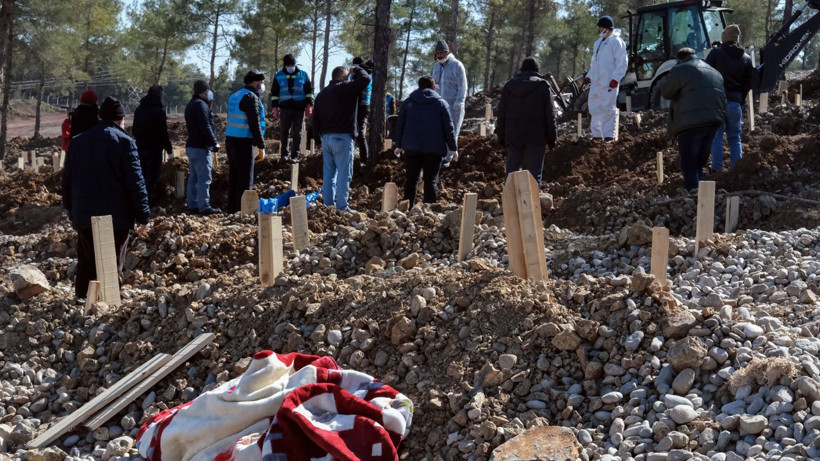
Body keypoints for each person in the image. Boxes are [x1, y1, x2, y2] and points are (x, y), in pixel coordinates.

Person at [61, 97, 150, 298]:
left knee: (86, 261)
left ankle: (82, 302)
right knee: (111, 262)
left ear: (100, 117)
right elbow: (136, 183)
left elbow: (67, 180)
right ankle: (108, 305)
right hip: (116, 216)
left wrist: (70, 209)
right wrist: (143, 215)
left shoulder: (78, 142)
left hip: (84, 215)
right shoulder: (125, 142)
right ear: (121, 120)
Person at [661, 48, 726, 191]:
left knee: (689, 164)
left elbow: (666, 92)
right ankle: (702, 195)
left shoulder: (679, 70)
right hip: (712, 122)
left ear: (679, 59)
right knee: (700, 163)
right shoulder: (714, 71)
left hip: (689, 124)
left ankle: (692, 195)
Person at [312, 65, 371, 212]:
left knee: (329, 175)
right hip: (342, 138)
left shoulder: (322, 94)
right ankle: (342, 206)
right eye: (348, 76)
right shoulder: (346, 88)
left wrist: (317, 140)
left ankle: (328, 205)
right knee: (344, 174)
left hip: (326, 139)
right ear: (343, 76)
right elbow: (366, 78)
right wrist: (356, 69)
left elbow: (315, 119)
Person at [393, 76, 458, 204]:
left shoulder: (408, 102)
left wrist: (398, 145)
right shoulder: (441, 104)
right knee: (431, 181)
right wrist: (453, 148)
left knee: (411, 180)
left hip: (412, 148)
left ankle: (407, 208)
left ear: (419, 86)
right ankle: (429, 210)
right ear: (434, 87)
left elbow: (400, 124)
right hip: (434, 149)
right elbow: (448, 127)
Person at [496, 57, 557, 185]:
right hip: (536, 138)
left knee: (511, 175)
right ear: (537, 70)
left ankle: (510, 198)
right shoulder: (543, 86)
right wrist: (552, 139)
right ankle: (532, 198)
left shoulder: (509, 86)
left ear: (522, 69)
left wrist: (501, 137)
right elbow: (550, 114)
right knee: (533, 178)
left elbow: (501, 114)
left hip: (514, 137)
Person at [706, 24, 754, 171]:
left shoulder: (716, 53)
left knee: (716, 136)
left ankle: (717, 168)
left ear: (724, 37)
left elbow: (705, 74)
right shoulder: (746, 58)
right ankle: (736, 169)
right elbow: (749, 83)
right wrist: (740, 99)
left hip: (717, 102)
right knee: (735, 137)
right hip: (735, 103)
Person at [225, 70, 266, 213]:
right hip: (243, 142)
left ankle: (232, 209)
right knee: (246, 178)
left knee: (235, 176)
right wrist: (261, 145)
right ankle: (245, 211)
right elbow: (254, 123)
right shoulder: (250, 97)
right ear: (255, 83)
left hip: (230, 140)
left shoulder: (234, 95)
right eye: (261, 82)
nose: (262, 85)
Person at [584, 15, 628, 142]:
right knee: (594, 107)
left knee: (608, 108)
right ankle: (597, 135)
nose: (598, 30)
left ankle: (608, 135)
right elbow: (595, 63)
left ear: (606, 28)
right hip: (596, 82)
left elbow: (622, 62)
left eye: (600, 28)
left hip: (609, 83)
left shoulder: (617, 42)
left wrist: (616, 78)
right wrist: (589, 76)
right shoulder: (598, 43)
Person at [132, 85, 174, 205]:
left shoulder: (139, 109)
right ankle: (147, 202)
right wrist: (169, 150)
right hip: (154, 149)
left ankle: (139, 200)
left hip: (141, 147)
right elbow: (162, 133)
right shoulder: (158, 111)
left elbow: (134, 129)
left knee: (142, 174)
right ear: (159, 95)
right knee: (152, 176)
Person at [184, 80, 220, 215]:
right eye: (207, 91)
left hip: (192, 146)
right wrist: (214, 142)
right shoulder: (201, 105)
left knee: (193, 177)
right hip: (201, 147)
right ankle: (204, 206)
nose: (210, 93)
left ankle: (192, 205)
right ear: (203, 92)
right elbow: (205, 126)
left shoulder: (191, 104)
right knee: (204, 178)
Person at [270, 54, 314, 163]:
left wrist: (309, 105)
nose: (290, 67)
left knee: (297, 132)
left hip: (299, 108)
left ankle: (295, 155)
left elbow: (309, 91)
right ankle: (284, 155)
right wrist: (275, 107)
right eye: (288, 65)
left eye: (292, 65)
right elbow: (274, 93)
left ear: (295, 64)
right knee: (284, 131)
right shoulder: (278, 75)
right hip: (285, 108)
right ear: (284, 65)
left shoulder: (303, 74)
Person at [431, 40, 467, 137]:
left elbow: (462, 86)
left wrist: (459, 102)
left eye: (441, 53)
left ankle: (452, 148)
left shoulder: (457, 65)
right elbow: (434, 85)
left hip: (454, 106)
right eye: (437, 53)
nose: (439, 56)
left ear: (447, 53)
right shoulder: (436, 67)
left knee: (452, 134)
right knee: (440, 135)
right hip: (439, 107)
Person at [350, 57, 373, 166]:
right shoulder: (368, 73)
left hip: (360, 106)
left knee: (359, 133)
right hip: (363, 105)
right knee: (357, 133)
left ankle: (364, 159)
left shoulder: (360, 74)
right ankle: (362, 158)